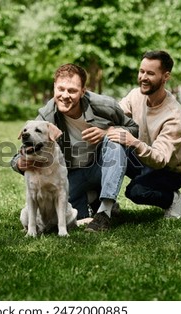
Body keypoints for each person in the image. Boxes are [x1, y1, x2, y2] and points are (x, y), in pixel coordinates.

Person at [11, 63, 138, 232]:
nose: (65, 95)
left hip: (101, 166)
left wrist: (107, 132)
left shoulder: (105, 106)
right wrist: (19, 163)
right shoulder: (47, 117)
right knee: (71, 215)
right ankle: (93, 198)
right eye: (61, 89)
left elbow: (134, 129)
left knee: (115, 142)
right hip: (74, 174)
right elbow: (23, 150)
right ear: (54, 87)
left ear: (83, 91)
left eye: (72, 90)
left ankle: (105, 211)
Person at [107, 50, 181, 218]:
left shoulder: (173, 115)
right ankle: (104, 204)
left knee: (136, 192)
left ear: (166, 76)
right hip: (142, 160)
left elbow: (160, 159)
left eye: (150, 73)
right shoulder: (135, 95)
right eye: (141, 71)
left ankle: (173, 198)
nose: (143, 77)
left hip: (168, 171)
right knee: (105, 145)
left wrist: (134, 142)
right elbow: (113, 115)